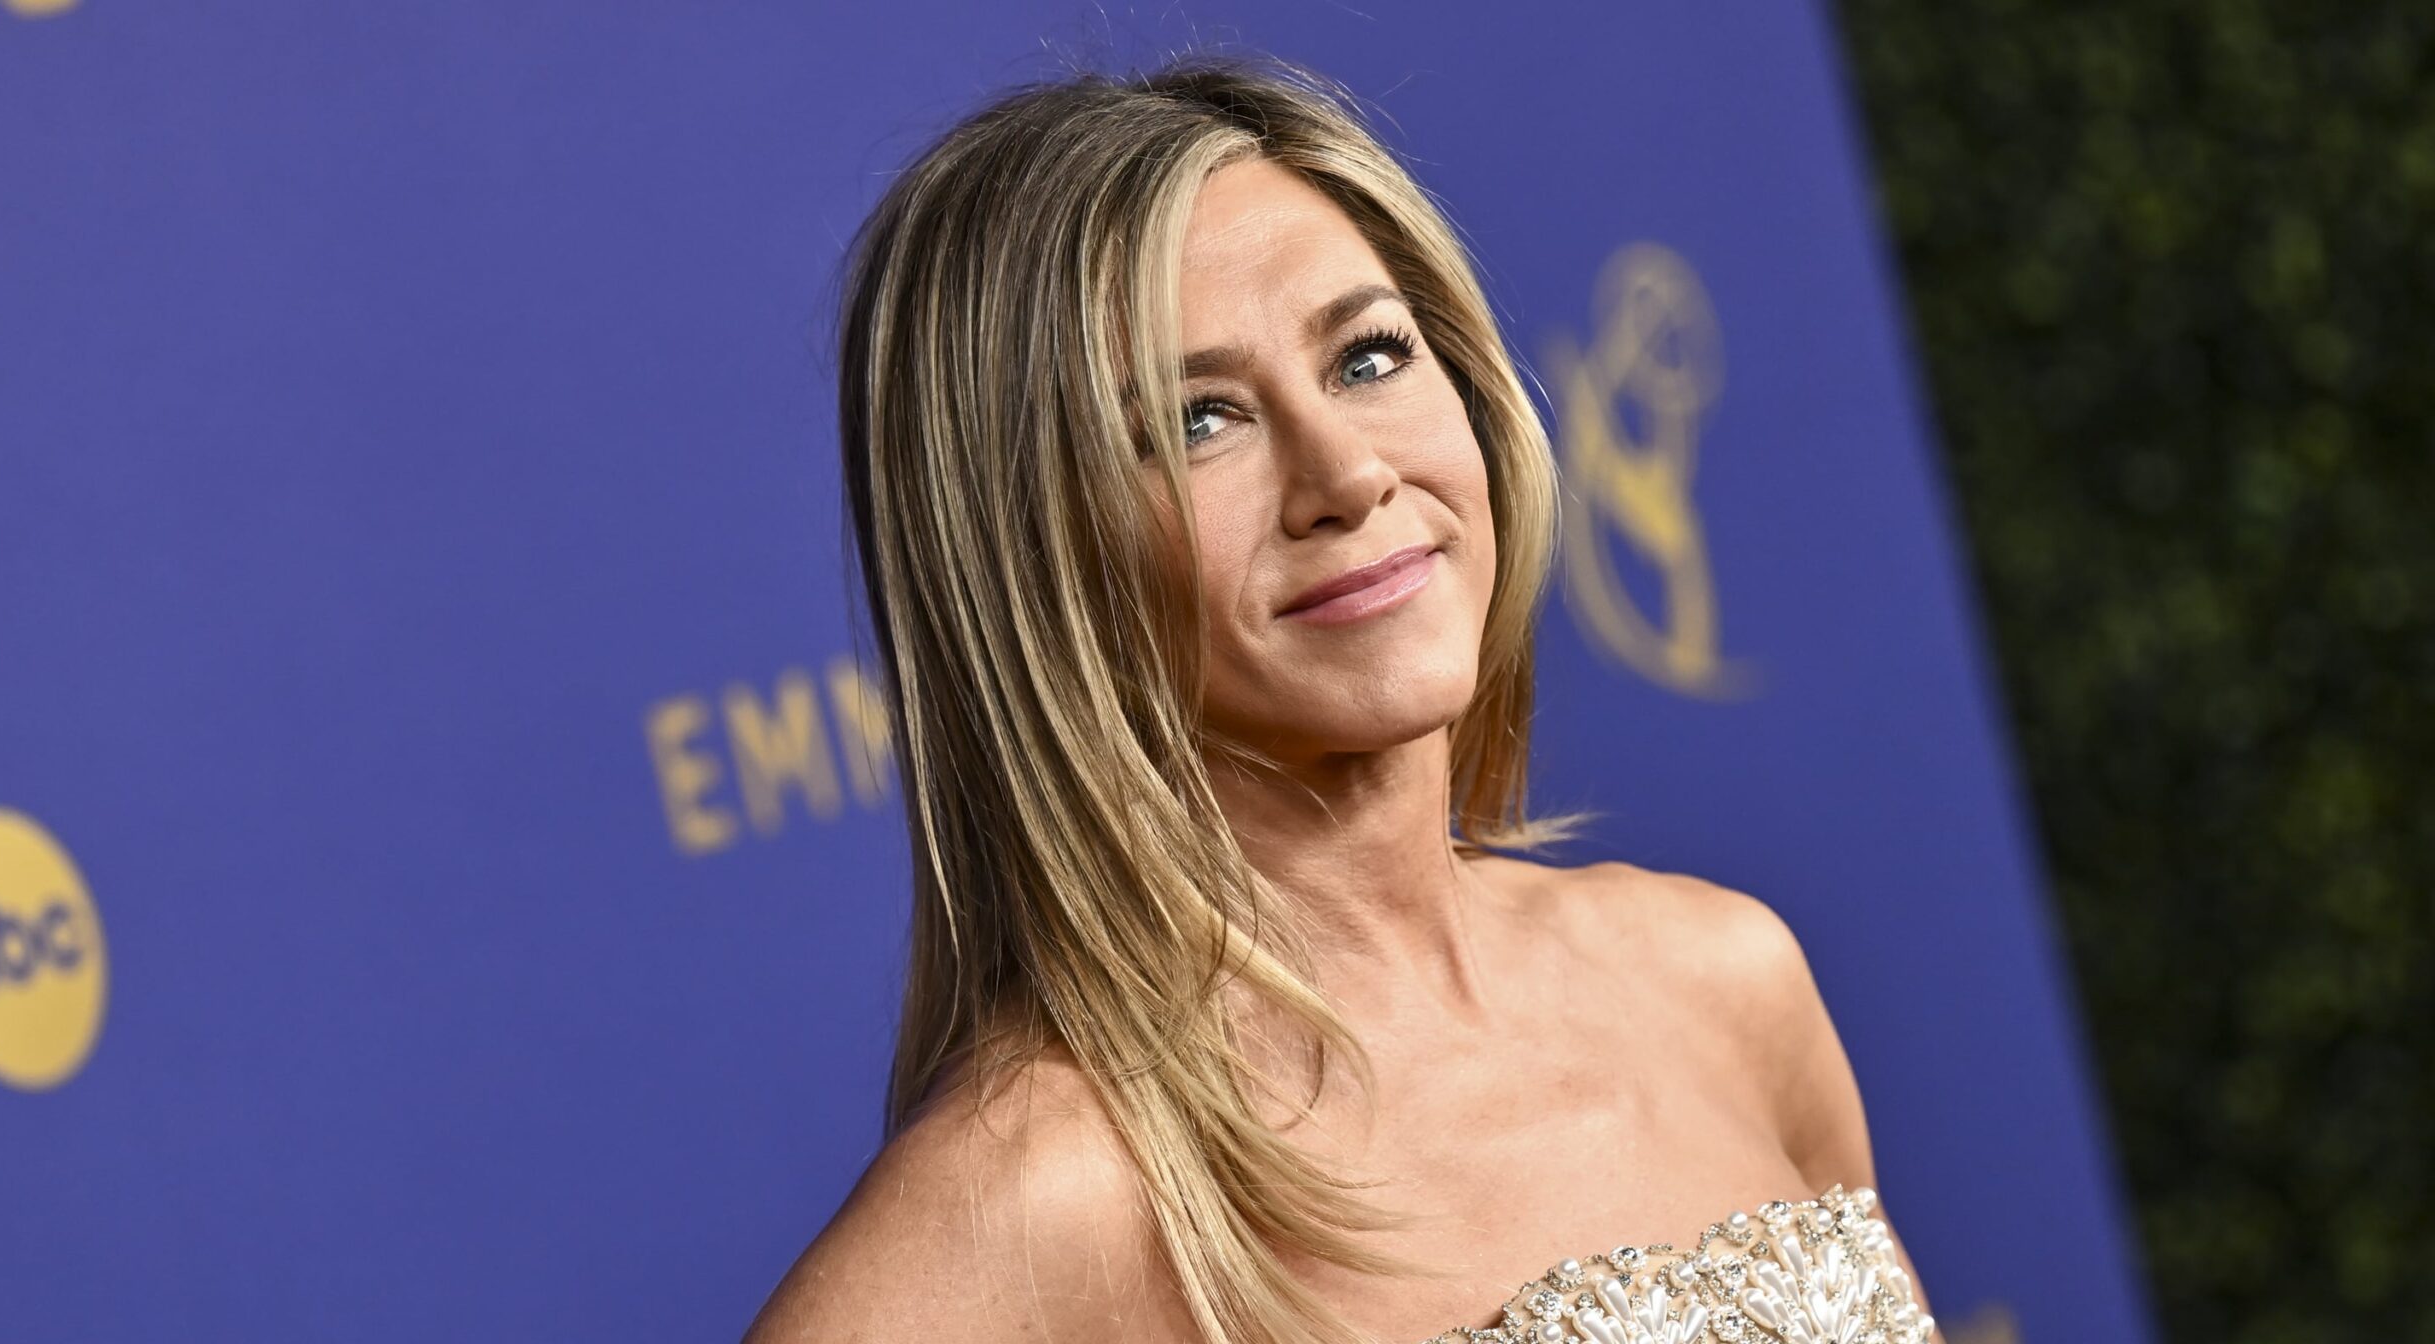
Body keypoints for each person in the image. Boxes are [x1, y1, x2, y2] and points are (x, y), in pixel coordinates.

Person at [746, 54, 1944, 1344]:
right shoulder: (1043, 1204)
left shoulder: (1725, 981)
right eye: (1198, 422)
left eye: (1369, 357)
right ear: (1028, 560)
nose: (1347, 474)